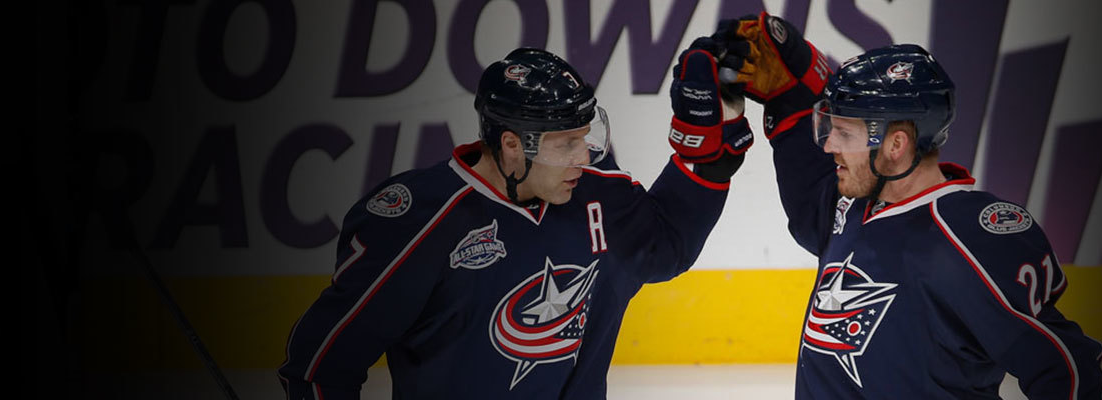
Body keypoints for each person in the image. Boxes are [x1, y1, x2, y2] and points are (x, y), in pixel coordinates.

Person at [277, 46, 752, 399]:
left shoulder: (597, 197)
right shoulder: (418, 219)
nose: (583, 155)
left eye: (584, 137)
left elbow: (665, 243)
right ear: (510, 144)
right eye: (565, 142)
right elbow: (323, 364)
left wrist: (705, 157)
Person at [711, 13, 1102, 399]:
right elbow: (806, 200)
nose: (829, 145)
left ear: (896, 145)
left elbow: (1067, 372)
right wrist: (791, 92)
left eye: (843, 133)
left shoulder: (971, 237)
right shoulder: (853, 204)